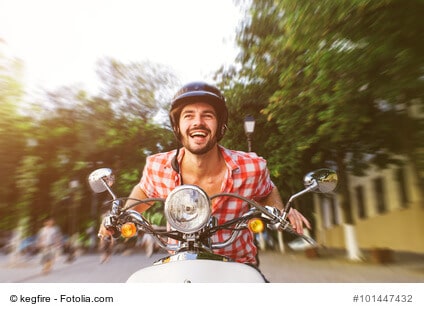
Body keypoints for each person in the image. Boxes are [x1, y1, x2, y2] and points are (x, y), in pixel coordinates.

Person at [99, 81, 311, 266]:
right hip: (180, 266)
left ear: (220, 124)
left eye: (207, 115)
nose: (198, 122)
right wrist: (120, 216)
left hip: (238, 267)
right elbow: (144, 190)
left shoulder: (252, 166)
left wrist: (282, 211)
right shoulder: (158, 166)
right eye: (188, 115)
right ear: (178, 126)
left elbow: (266, 191)